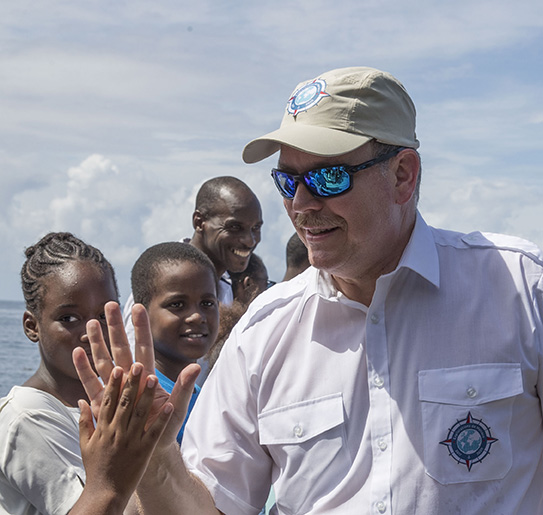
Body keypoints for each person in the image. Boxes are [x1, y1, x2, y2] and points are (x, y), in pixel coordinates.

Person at [76, 66, 543, 514]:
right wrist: (157, 458)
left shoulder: (521, 289)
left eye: (329, 177)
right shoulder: (263, 332)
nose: (300, 204)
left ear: (403, 175)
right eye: (288, 180)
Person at [0, 232, 123, 514]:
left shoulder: (108, 408)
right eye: (69, 319)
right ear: (32, 326)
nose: (92, 332)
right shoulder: (28, 416)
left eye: (104, 315)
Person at [122, 176, 263, 342]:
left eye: (256, 228)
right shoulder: (160, 278)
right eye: (234, 227)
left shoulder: (225, 287)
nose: (250, 240)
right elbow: (134, 356)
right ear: (199, 222)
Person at [130, 241, 220, 444]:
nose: (197, 316)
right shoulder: (137, 401)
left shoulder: (208, 395)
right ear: (140, 314)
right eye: (177, 305)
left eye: (207, 303)